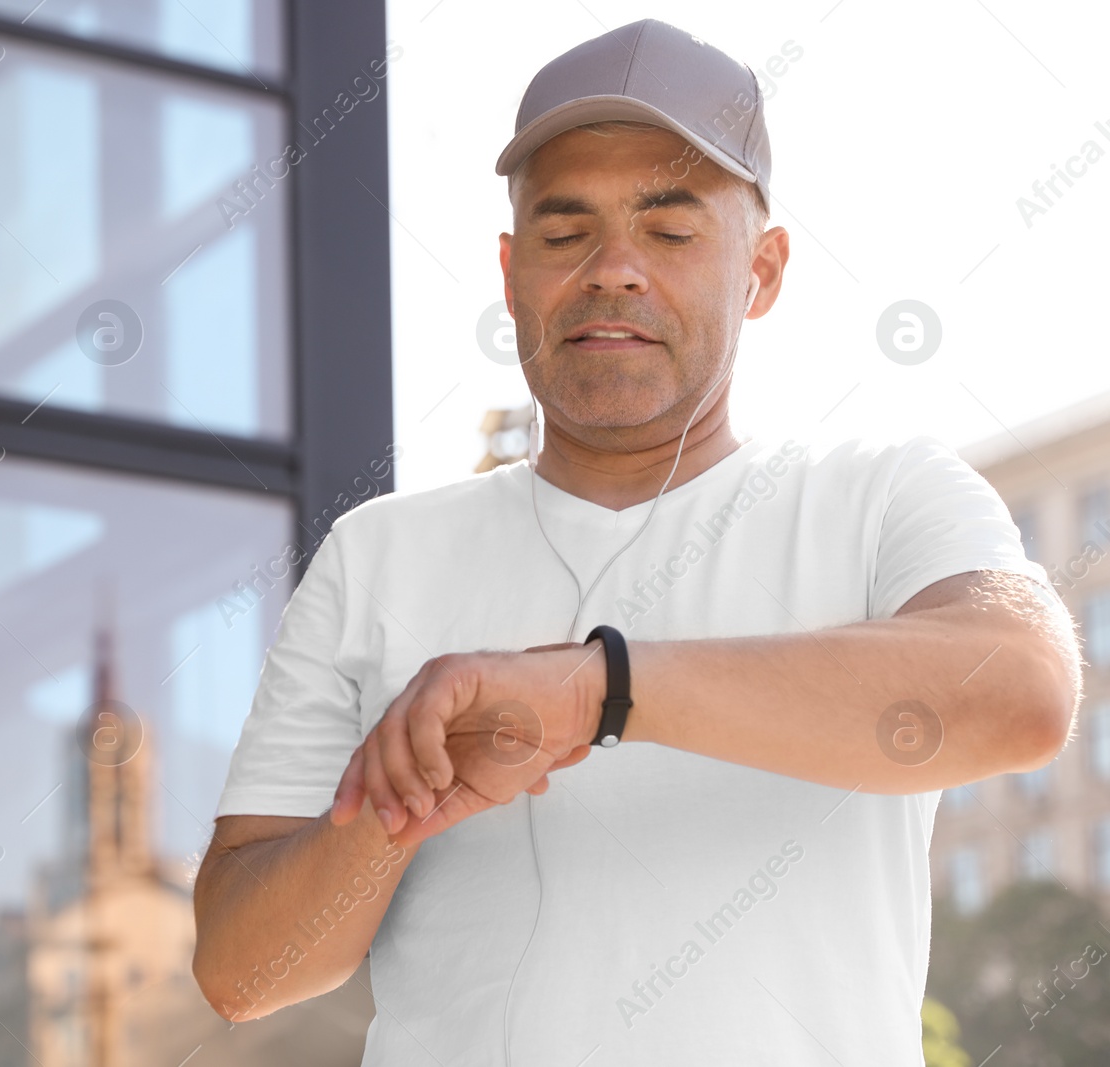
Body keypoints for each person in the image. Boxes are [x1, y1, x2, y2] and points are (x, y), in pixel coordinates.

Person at [191, 17, 1081, 1065]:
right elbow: (240, 971)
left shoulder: (884, 495)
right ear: (512, 269)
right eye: (566, 233)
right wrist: (393, 804)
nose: (613, 270)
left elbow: (1021, 688)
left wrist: (594, 690)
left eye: (668, 230)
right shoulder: (375, 553)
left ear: (763, 269)